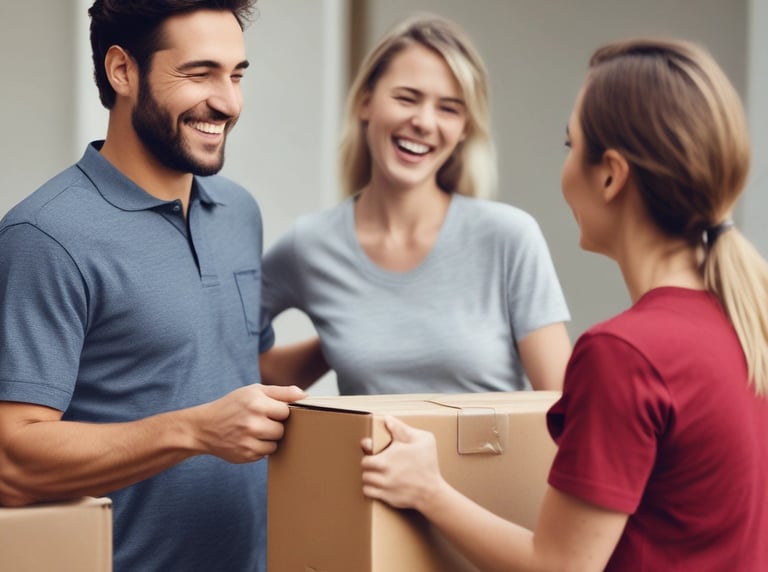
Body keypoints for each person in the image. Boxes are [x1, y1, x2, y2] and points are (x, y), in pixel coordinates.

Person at [361, 37, 768, 570]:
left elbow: (559, 565)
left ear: (611, 174)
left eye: (569, 144)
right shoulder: (745, 319)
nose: (566, 167)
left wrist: (426, 488)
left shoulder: (624, 354)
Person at [0, 2, 305, 571]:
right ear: (122, 71)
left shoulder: (239, 212)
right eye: (199, 73)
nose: (229, 102)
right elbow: (11, 463)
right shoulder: (44, 235)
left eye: (236, 75)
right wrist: (193, 430)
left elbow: (236, 373)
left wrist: (347, 337)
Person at [259, 15, 571, 395]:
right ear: (365, 102)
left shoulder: (509, 237)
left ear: (464, 130)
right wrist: (340, 343)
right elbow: (237, 362)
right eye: (407, 98)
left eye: (449, 108)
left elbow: (563, 410)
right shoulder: (310, 243)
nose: (424, 122)